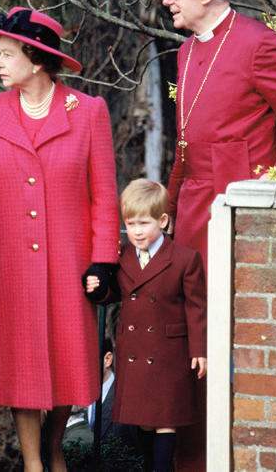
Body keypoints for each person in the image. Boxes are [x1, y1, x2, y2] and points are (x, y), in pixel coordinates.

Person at [0, 6, 120, 472]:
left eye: (6, 54)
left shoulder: (89, 112)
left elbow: (104, 196)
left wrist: (103, 259)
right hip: (7, 264)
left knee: (70, 360)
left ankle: (54, 449)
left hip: (71, 264)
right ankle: (34, 463)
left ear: (34, 59)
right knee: (20, 365)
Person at [161, 0, 276, 273]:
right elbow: (186, 141)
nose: (167, 1)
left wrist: (270, 185)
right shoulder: (185, 50)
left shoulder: (259, 44)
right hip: (192, 206)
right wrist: (170, 205)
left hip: (240, 203)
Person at [85, 179, 207, 472]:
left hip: (169, 353)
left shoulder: (185, 259)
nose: (137, 231)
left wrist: (200, 350)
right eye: (130, 223)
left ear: (163, 221)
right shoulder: (123, 256)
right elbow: (116, 293)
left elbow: (197, 307)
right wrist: (97, 287)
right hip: (135, 349)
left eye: (144, 223)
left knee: (165, 422)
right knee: (141, 419)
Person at [62, 338, 139, 451]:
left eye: (85, 359)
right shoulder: (70, 393)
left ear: (107, 359)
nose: (79, 366)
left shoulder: (129, 398)